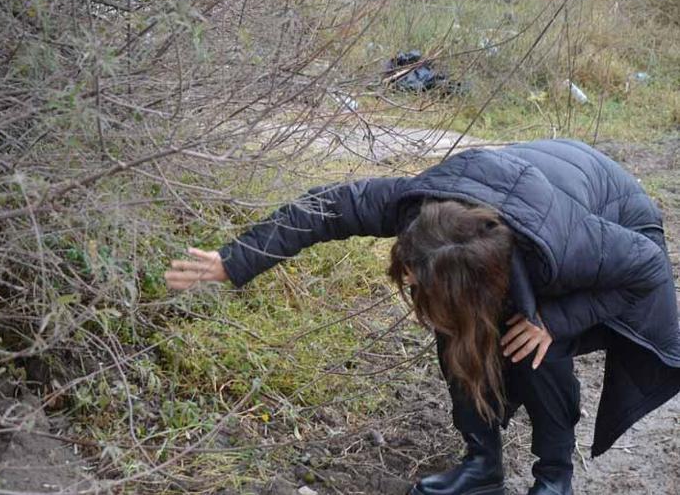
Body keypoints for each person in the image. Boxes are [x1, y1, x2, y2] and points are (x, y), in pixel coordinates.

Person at [164, 139, 680, 495]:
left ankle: (555, 476)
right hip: (522, 201)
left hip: (609, 218)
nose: (407, 284)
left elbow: (649, 265)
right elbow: (325, 207)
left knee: (531, 343)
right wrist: (235, 260)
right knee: (456, 327)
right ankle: (482, 467)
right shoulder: (419, 205)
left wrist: (557, 321)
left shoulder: (568, 245)